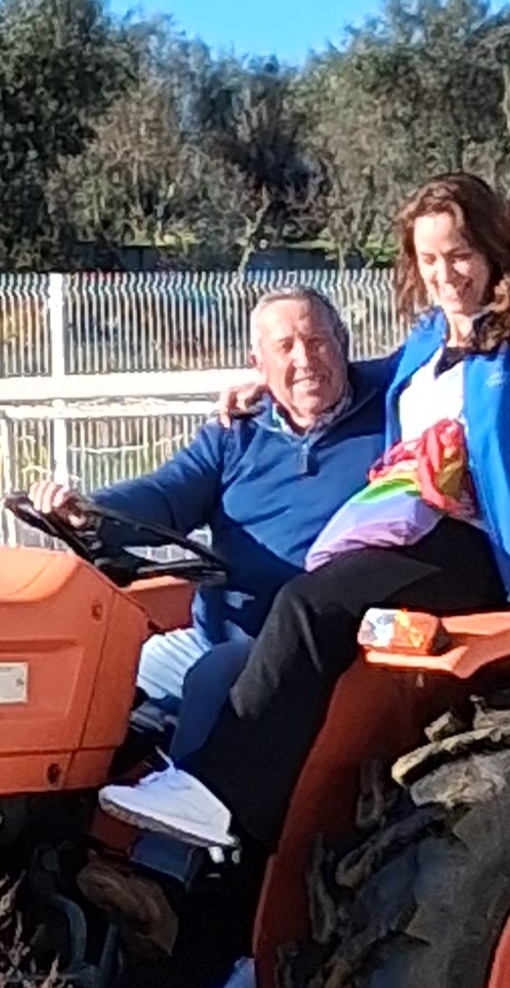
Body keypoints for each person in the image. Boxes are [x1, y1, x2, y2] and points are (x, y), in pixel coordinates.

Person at [98, 162, 510, 988]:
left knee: (310, 605)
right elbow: (338, 370)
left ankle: (210, 793)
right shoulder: (425, 346)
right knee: (292, 673)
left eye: (460, 253)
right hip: (412, 532)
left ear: (489, 251)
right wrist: (261, 382)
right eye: (429, 260)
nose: (446, 273)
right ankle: (205, 934)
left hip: (486, 546)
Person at [28, 286, 387, 762]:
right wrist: (87, 510)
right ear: (256, 363)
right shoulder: (236, 432)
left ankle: (186, 831)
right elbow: (169, 492)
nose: (304, 359)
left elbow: (440, 341)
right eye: (284, 347)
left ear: (342, 342)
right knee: (92, 680)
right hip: (213, 633)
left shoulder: (389, 408)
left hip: (314, 651)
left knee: (213, 676)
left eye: (317, 341)